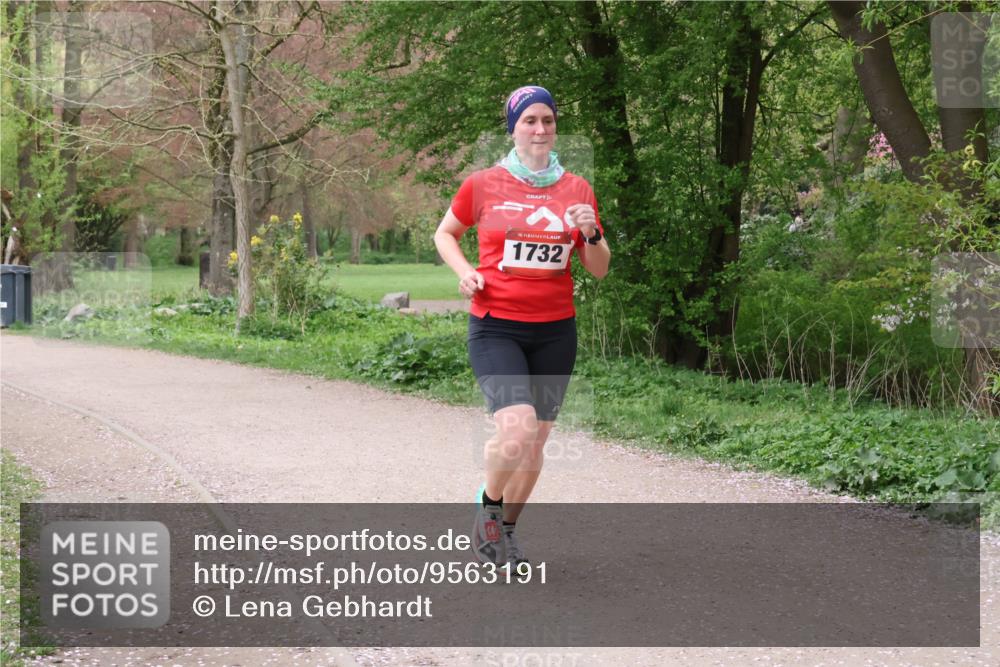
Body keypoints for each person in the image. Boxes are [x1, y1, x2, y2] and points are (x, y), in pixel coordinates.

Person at [433, 85, 611, 570]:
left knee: (534, 446)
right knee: (517, 429)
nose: (540, 128)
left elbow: (598, 268)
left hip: (555, 331)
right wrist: (464, 271)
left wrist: (592, 232)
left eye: (547, 120)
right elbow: (445, 233)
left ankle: (507, 530)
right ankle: (488, 507)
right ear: (513, 128)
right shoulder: (483, 184)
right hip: (496, 328)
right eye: (529, 120)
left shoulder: (577, 189)